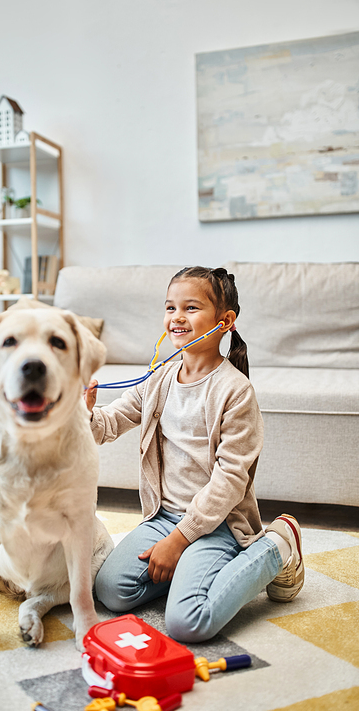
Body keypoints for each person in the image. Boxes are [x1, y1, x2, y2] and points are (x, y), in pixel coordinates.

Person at [84, 266, 305, 643]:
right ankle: (192, 572)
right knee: (110, 592)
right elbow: (108, 424)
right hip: (163, 517)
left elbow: (231, 480)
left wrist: (180, 541)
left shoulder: (235, 392)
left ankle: (278, 545)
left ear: (225, 321)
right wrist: (83, 412)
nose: (176, 318)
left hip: (217, 524)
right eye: (170, 308)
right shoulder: (159, 379)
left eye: (190, 308)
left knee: (189, 623)